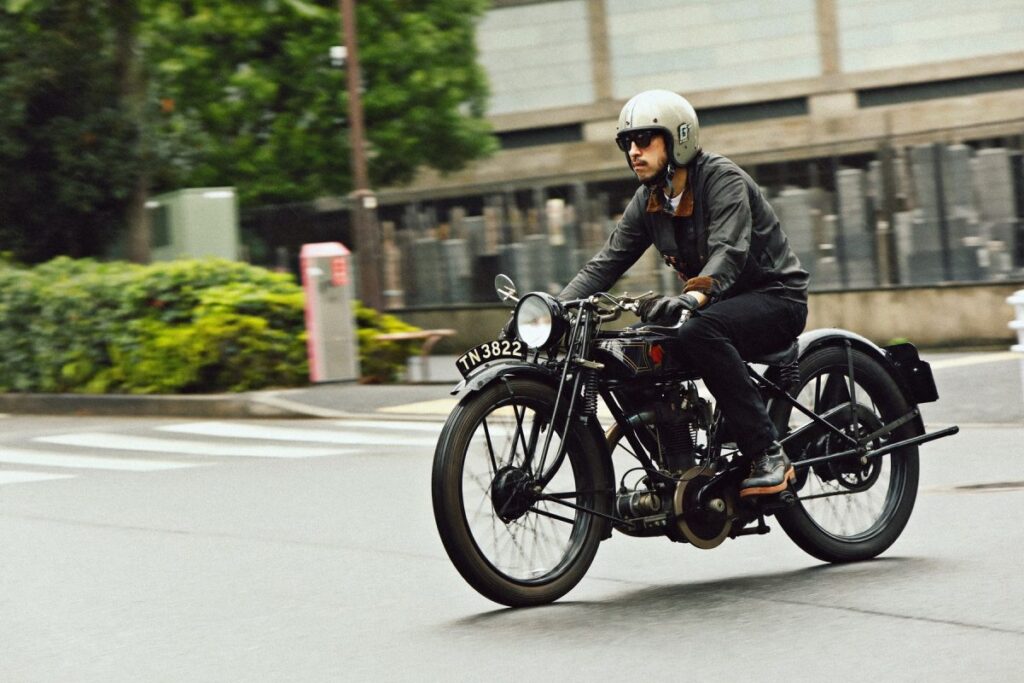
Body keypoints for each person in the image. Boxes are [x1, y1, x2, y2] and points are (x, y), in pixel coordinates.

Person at [558, 89, 810, 497]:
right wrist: (554, 309)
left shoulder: (721, 180)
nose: (634, 152)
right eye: (627, 144)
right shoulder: (649, 200)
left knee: (699, 332)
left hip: (776, 297)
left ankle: (769, 455)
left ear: (678, 139)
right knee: (633, 346)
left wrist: (692, 297)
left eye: (644, 140)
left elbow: (728, 252)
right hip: (720, 306)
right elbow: (607, 262)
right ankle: (676, 463)